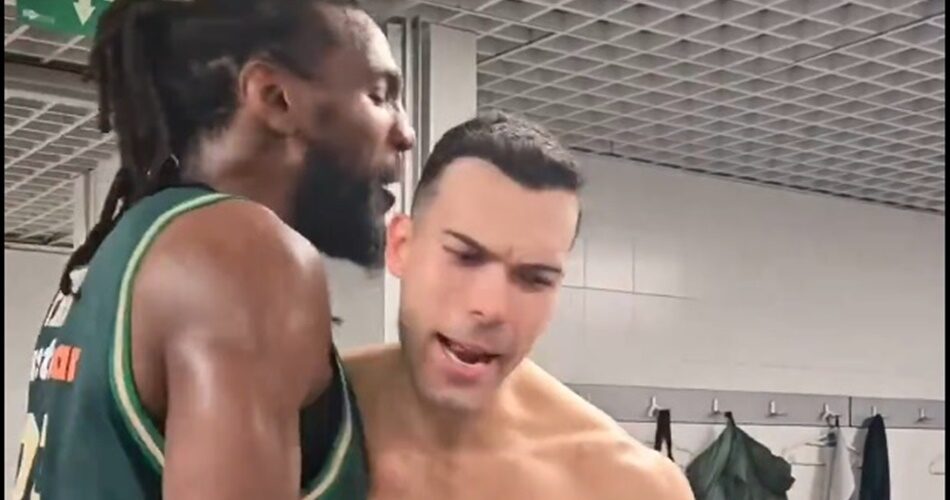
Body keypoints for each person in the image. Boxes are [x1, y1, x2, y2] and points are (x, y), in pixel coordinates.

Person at [12, 0, 414, 498]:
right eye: (379, 96)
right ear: (275, 98)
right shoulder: (241, 256)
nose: (406, 133)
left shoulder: (124, 250)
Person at [345, 112, 694, 500]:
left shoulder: (628, 487)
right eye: (465, 257)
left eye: (534, 278)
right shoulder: (308, 412)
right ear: (401, 247)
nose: (492, 307)